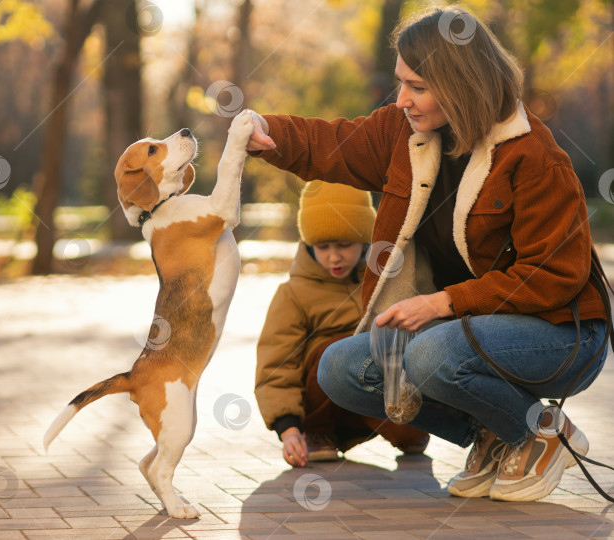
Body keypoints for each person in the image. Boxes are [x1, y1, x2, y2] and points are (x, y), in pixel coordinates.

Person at [244, 5, 609, 501]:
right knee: (343, 369)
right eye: (401, 83)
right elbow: (334, 144)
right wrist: (269, 131)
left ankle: (539, 432)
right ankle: (493, 436)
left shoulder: (535, 158)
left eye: (417, 86)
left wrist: (443, 303)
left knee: (429, 352)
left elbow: (552, 275)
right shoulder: (405, 134)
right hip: (468, 326)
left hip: (562, 333)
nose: (402, 101)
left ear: (461, 84)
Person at [255, 181, 430, 467]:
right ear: (309, 246)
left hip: (369, 392)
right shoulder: (293, 293)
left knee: (411, 436)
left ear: (364, 240)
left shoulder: (382, 280)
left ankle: (404, 427)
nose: (334, 257)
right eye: (323, 247)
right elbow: (276, 363)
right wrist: (288, 428)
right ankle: (319, 434)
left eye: (344, 245)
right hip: (319, 402)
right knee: (333, 350)